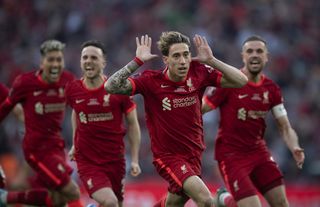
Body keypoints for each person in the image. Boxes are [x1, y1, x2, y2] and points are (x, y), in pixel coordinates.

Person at [105, 31, 248, 207]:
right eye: (176, 56)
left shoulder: (199, 73)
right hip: (168, 157)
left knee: (173, 204)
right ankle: (220, 199)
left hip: (194, 154)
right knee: (205, 200)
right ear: (166, 59)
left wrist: (211, 60)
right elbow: (111, 86)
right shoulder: (151, 81)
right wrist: (137, 61)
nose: (182, 61)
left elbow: (241, 81)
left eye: (186, 55)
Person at [202, 35, 305, 207]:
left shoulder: (271, 89)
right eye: (250, 51)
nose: (254, 55)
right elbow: (201, 108)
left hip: (258, 152)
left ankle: (224, 199)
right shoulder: (229, 82)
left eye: (259, 51)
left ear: (266, 56)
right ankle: (224, 198)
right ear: (243, 56)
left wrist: (294, 146)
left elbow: (285, 127)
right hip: (231, 155)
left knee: (281, 203)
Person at [0, 40, 83, 207]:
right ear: (41, 62)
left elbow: (81, 106)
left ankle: (5, 198)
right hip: (37, 150)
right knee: (73, 192)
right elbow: (7, 108)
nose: (55, 64)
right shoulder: (25, 83)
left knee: (58, 200)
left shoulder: (67, 80)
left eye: (59, 60)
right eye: (50, 60)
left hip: (57, 147)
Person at [66, 40, 141, 207]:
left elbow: (133, 124)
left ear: (103, 62)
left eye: (94, 57)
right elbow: (76, 112)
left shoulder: (117, 90)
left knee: (117, 204)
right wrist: (73, 143)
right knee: (110, 202)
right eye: (85, 57)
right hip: (88, 161)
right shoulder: (73, 89)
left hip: (115, 160)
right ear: (80, 61)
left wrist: (135, 159)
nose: (88, 61)